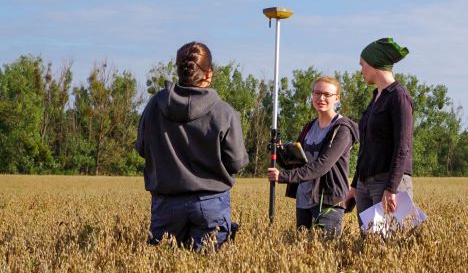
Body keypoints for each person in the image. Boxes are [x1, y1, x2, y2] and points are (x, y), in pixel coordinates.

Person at [136, 42, 249, 250]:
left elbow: (142, 148)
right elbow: (236, 162)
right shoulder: (224, 112)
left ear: (179, 70)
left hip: (166, 203)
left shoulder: (154, 106)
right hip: (210, 203)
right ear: (209, 74)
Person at [267, 76, 359, 237]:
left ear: (337, 98)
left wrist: (283, 177)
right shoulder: (309, 127)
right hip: (304, 199)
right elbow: (296, 163)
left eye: (326, 94)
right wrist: (279, 151)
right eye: (317, 93)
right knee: (304, 253)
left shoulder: (342, 129)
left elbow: (322, 165)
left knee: (324, 253)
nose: (321, 98)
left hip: (328, 200)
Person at [344, 37, 414, 227]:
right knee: (368, 246)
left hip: (388, 182)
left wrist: (391, 189)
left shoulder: (398, 96)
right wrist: (355, 186)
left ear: (374, 64)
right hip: (365, 184)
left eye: (362, 65)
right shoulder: (376, 97)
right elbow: (366, 148)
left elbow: (403, 146)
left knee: (388, 246)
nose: (360, 71)